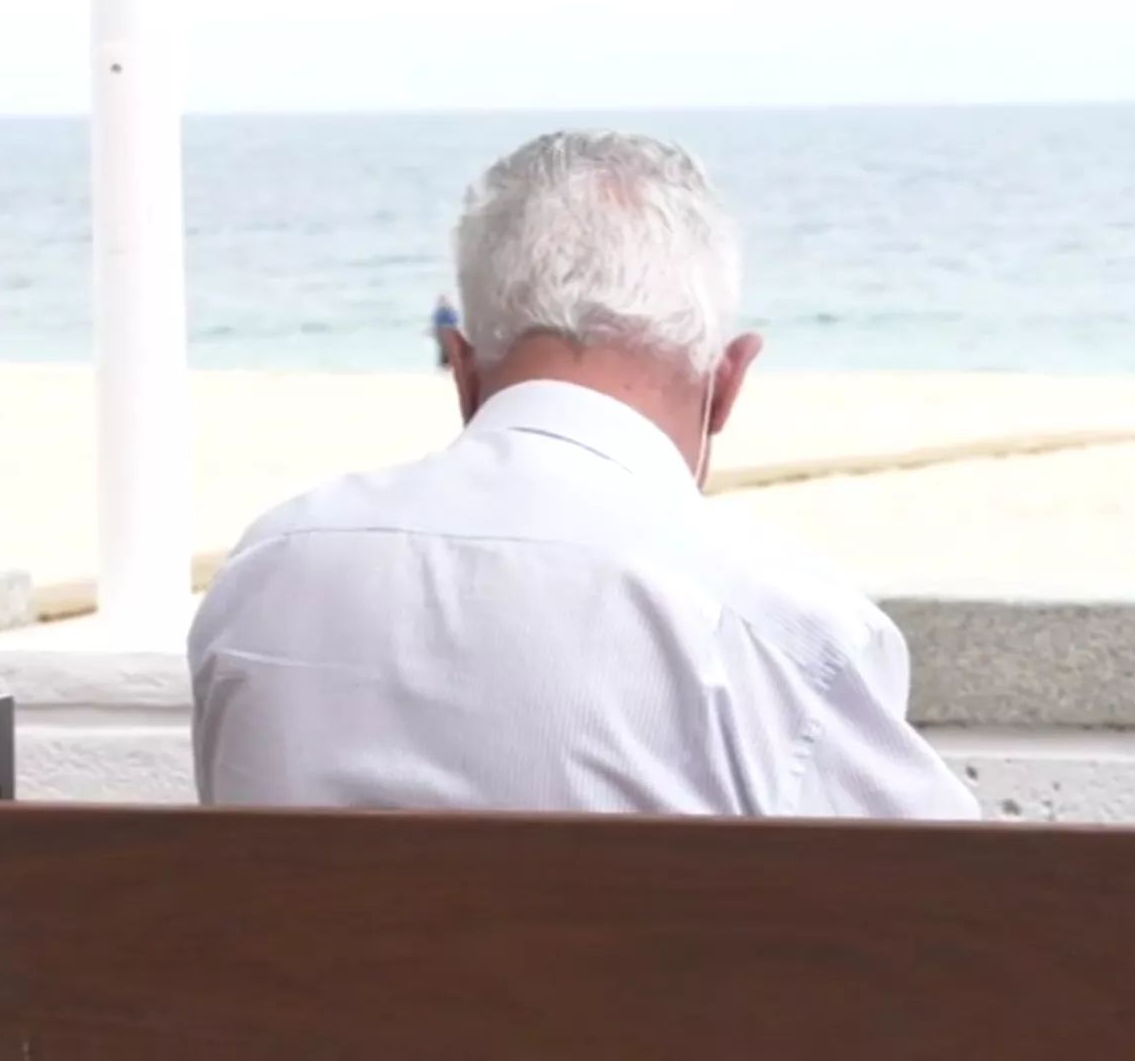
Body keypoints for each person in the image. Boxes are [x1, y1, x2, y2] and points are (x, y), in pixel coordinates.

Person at [187, 130, 979, 820]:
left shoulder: (268, 571)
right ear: (728, 383)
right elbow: (947, 929)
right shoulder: (781, 625)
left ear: (461, 371)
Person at [430, 297, 458, 367]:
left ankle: (446, 362)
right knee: (444, 347)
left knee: (446, 347)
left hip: (447, 331)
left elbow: (454, 320)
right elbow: (436, 322)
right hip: (443, 331)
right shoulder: (442, 311)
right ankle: (445, 362)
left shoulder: (448, 311)